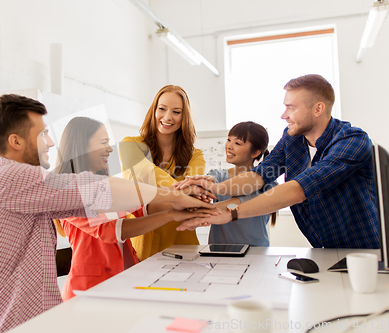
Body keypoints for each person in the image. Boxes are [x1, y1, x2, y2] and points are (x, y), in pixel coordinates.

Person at [0, 94, 214, 333]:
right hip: (20, 325)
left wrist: (176, 207)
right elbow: (99, 194)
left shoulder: (28, 188)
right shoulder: (9, 178)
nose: (51, 142)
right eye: (42, 135)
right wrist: (176, 197)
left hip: (45, 320)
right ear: (16, 141)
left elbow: (123, 204)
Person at [176, 74, 379, 249]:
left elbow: (299, 189)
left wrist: (232, 214)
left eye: (291, 108)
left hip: (365, 249)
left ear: (318, 109)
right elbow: (258, 176)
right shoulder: (293, 139)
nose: (284, 115)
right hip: (325, 248)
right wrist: (215, 188)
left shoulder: (352, 140)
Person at [53, 117, 216, 300]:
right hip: (90, 291)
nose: (109, 149)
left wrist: (185, 195)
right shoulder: (67, 191)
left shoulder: (108, 185)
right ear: (83, 146)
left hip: (127, 279)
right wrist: (172, 212)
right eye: (103, 142)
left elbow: (142, 207)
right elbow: (110, 230)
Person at [119, 85, 206, 260]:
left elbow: (194, 187)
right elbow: (147, 172)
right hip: (141, 240)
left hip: (182, 241)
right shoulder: (129, 145)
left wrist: (189, 194)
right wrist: (182, 195)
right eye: (162, 109)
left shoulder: (195, 155)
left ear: (184, 117)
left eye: (176, 111)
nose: (167, 117)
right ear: (154, 110)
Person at [206, 121, 278, 246]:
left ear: (255, 152)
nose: (229, 146)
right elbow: (209, 182)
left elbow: (250, 200)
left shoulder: (269, 184)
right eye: (229, 140)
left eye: (237, 143)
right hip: (219, 253)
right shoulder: (218, 175)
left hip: (256, 254)